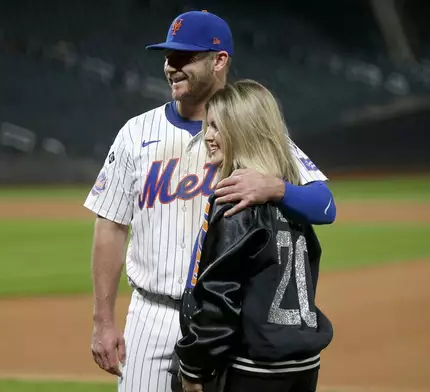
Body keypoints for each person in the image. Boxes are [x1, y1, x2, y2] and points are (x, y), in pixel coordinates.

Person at [83, 10, 336, 392]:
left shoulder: (255, 136)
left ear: (219, 61)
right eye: (168, 57)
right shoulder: (135, 134)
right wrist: (103, 320)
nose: (171, 66)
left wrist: (276, 188)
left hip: (225, 321)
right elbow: (110, 225)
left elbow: (324, 204)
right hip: (153, 315)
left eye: (185, 57)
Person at [174, 80, 333, 392]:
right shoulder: (293, 202)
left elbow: (219, 298)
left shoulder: (238, 201)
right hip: (302, 364)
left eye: (217, 127)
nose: (208, 136)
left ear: (240, 132)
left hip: (253, 368)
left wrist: (193, 367)